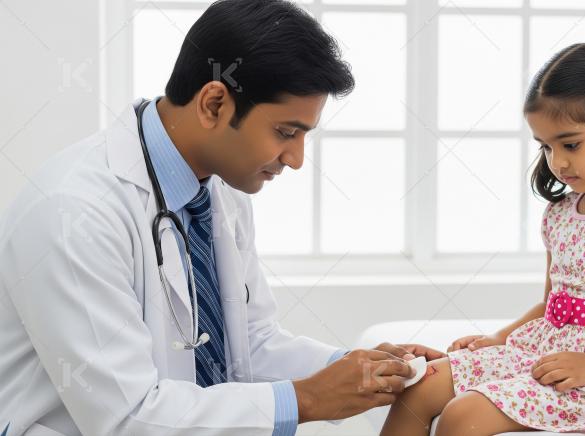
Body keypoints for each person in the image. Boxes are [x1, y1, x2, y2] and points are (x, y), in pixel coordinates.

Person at [0, 1, 443, 434]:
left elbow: (248, 344)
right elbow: (128, 418)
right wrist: (307, 399)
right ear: (214, 103)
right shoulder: (74, 211)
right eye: (286, 133)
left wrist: (354, 368)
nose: (295, 159)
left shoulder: (220, 189)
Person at [381, 41, 585, 436]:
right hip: (548, 349)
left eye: (570, 144)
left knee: (464, 415)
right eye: (546, 147)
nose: (558, 161)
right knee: (421, 385)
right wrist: (500, 338)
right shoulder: (561, 213)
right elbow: (554, 303)